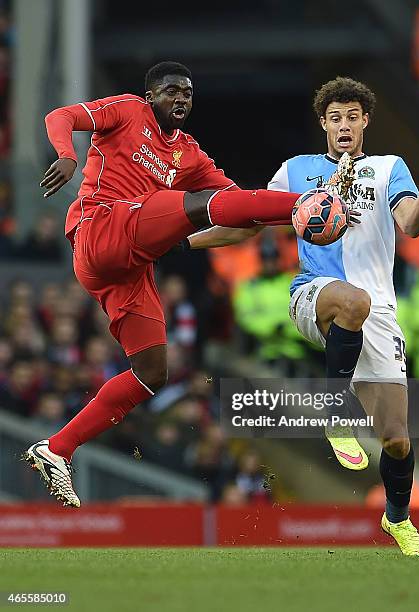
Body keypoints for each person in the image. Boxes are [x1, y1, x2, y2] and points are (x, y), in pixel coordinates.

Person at [185, 77, 419, 556]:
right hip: (315, 293)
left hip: (379, 311)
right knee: (352, 301)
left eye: (353, 116)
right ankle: (334, 409)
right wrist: (182, 241)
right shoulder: (296, 171)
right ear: (324, 125)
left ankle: (397, 520)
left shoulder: (388, 168)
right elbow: (249, 224)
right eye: (335, 119)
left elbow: (411, 225)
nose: (345, 125)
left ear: (365, 121)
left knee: (395, 438)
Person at [25, 61, 304, 508]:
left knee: (153, 374)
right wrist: (67, 154)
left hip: (129, 266)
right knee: (193, 204)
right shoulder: (128, 110)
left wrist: (210, 235)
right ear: (151, 94)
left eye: (188, 94)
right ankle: (304, 201)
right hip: (100, 229)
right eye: (171, 90)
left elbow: (235, 209)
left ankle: (56, 448)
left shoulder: (190, 154)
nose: (180, 99)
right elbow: (60, 116)